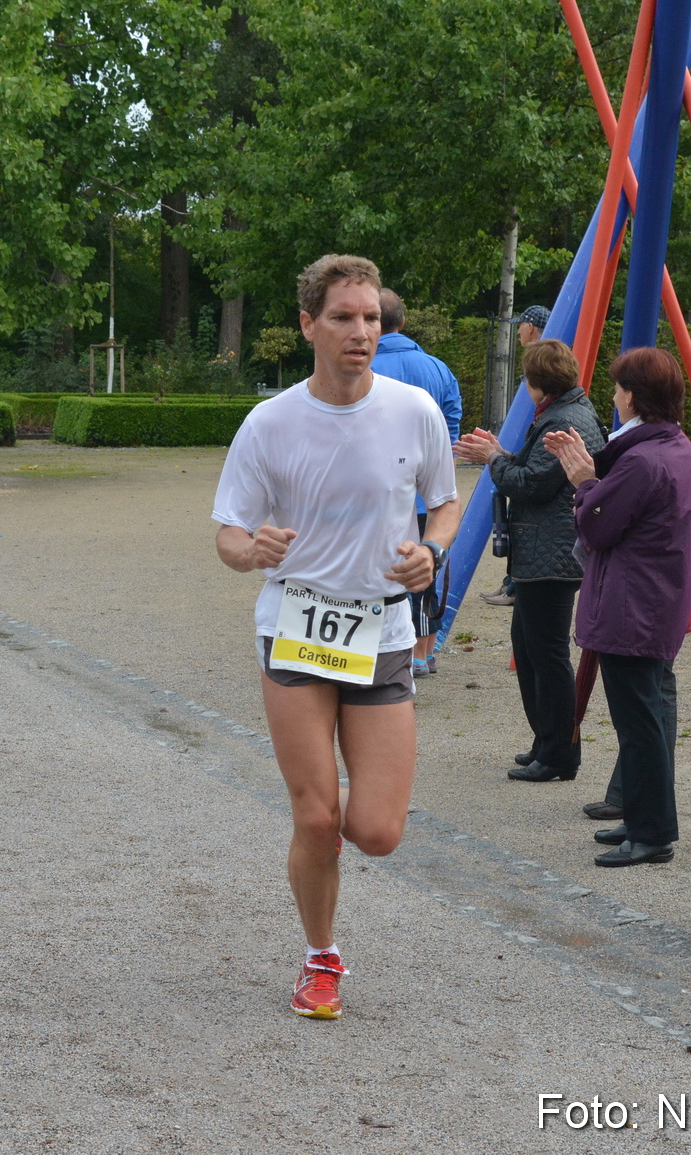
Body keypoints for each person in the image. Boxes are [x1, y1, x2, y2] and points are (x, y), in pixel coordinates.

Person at [212, 254, 459, 1020]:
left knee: (377, 831)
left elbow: (445, 503)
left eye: (371, 318)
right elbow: (225, 529)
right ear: (308, 325)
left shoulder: (413, 408)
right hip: (295, 626)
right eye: (345, 318)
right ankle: (321, 955)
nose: (361, 332)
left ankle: (338, 783)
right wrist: (250, 548)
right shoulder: (271, 420)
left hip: (382, 628)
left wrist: (432, 550)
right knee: (317, 818)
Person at [544, 347, 691, 866]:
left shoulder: (641, 459)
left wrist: (584, 482)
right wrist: (594, 471)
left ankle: (652, 832)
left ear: (632, 396)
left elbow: (596, 524)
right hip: (653, 600)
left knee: (639, 723)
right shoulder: (673, 446)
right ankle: (640, 816)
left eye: (617, 389)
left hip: (633, 605)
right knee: (643, 717)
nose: (614, 397)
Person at [454, 339, 605, 783]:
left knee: (548, 654)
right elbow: (541, 472)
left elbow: (533, 484)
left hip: (551, 556)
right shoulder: (570, 413)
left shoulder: (566, 421)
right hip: (547, 553)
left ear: (537, 384)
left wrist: (494, 459)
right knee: (531, 648)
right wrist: (504, 454)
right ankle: (546, 742)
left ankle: (559, 753)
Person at [369, 288, 461, 676]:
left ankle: (374, 648)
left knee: (377, 573)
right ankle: (422, 654)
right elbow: (452, 423)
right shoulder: (438, 368)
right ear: (403, 322)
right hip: (429, 497)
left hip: (378, 494)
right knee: (424, 572)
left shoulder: (362, 366)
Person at [479, 304, 553, 608]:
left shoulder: (540, 363)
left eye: (521, 324)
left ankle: (514, 586)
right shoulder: (541, 359)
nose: (518, 329)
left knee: (520, 512)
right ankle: (511, 583)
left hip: (532, 452)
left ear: (531, 327)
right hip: (527, 449)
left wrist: (499, 456)